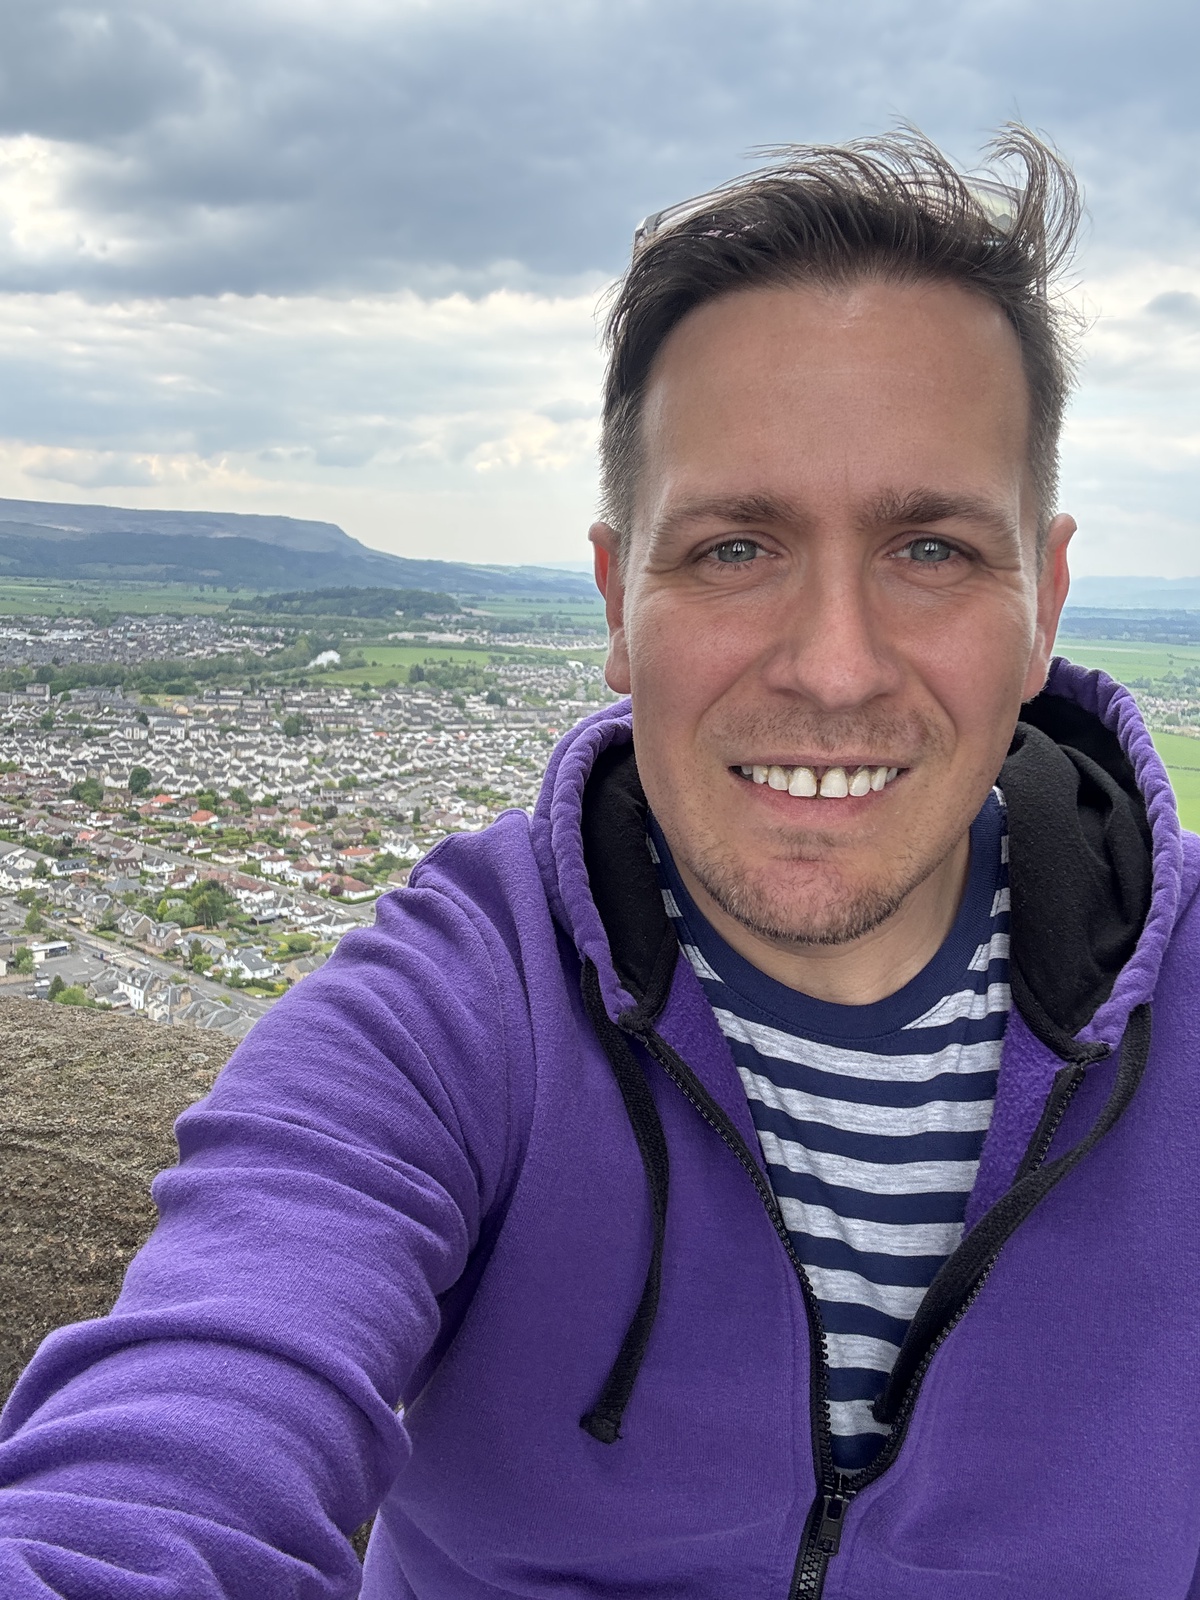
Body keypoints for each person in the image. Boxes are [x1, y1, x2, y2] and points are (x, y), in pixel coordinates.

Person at [1, 127, 1197, 1600]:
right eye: (736, 549)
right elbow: (187, 1425)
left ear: (1045, 601)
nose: (834, 666)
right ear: (618, 601)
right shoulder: (464, 1004)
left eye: (932, 549)